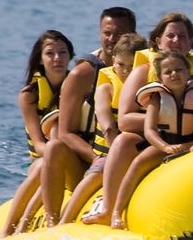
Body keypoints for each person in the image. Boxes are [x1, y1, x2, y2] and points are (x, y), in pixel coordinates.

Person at [83, 11, 193, 224]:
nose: (176, 41)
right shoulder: (142, 73)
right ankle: (109, 209)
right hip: (152, 141)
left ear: (191, 42)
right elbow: (124, 120)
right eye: (170, 36)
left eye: (182, 36)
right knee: (123, 140)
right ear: (158, 41)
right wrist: (167, 123)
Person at [109, 51, 193, 230]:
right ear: (160, 77)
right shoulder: (156, 98)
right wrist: (165, 147)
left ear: (188, 73)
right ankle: (116, 212)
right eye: (168, 72)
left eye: (179, 70)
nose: (174, 74)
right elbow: (149, 130)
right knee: (137, 164)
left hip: (191, 144)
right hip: (164, 145)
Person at [1, 29, 93, 233]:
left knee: (52, 154)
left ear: (70, 57)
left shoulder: (78, 87)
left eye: (62, 53)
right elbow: (38, 143)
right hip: (40, 161)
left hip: (73, 159)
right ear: (40, 59)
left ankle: (24, 225)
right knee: (45, 162)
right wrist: (53, 152)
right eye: (50, 53)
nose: (57, 59)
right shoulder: (29, 95)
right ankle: (9, 229)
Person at [58, 31, 146, 223]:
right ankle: (65, 220)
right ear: (113, 59)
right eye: (121, 65)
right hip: (109, 152)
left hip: (137, 150)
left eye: (132, 67)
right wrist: (118, 154)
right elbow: (107, 126)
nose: (125, 71)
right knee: (95, 175)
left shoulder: (146, 87)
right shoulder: (105, 88)